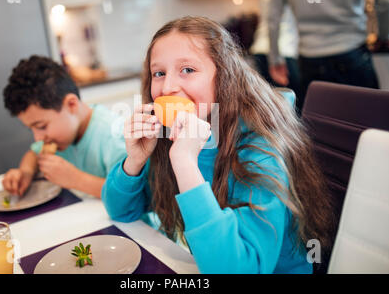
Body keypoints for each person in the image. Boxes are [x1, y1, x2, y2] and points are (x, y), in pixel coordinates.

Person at [101, 16, 336, 273]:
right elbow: (122, 212)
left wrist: (184, 163)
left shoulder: (259, 150)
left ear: (224, 76)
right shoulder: (172, 137)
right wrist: (134, 162)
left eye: (187, 70)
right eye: (159, 73)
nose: (167, 87)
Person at [2, 55, 126, 198]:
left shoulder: (115, 136)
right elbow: (33, 154)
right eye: (31, 129)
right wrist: (26, 172)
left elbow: (129, 197)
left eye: (41, 126)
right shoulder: (59, 138)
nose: (38, 138)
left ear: (71, 105)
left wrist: (76, 179)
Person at [268, 0, 389, 106]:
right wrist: (383, 35)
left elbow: (273, 18)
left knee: (322, 122)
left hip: (310, 60)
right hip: (352, 53)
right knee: (367, 118)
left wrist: (276, 59)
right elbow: (386, 0)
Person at [250, 0, 303, 112]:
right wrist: (276, 58)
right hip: (281, 52)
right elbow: (274, 22)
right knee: (295, 109)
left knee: (277, 111)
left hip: (262, 50)